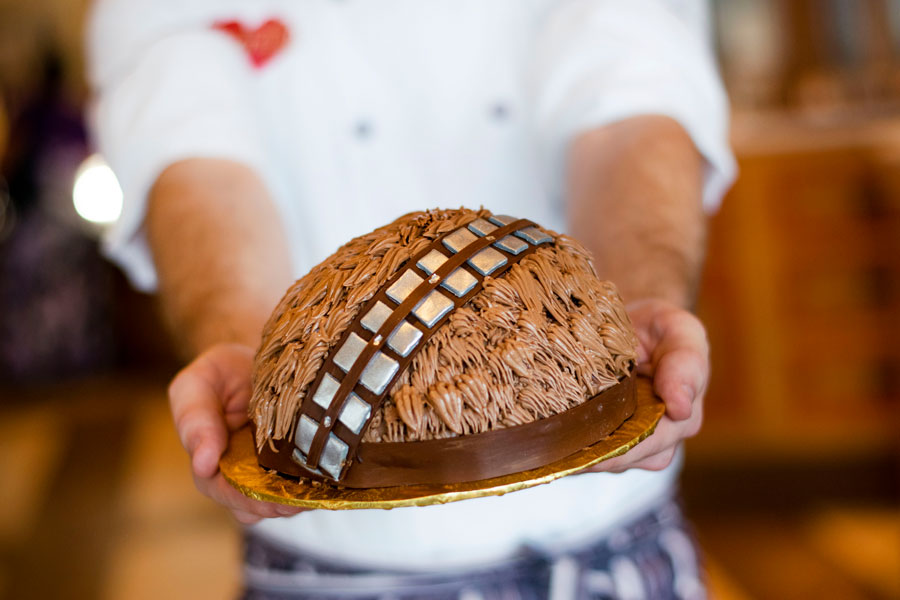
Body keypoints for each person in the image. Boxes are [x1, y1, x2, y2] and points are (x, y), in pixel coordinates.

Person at [87, 0, 735, 597]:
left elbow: (630, 82)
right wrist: (248, 355)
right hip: (329, 562)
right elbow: (191, 138)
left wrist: (637, 308)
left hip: (611, 539)